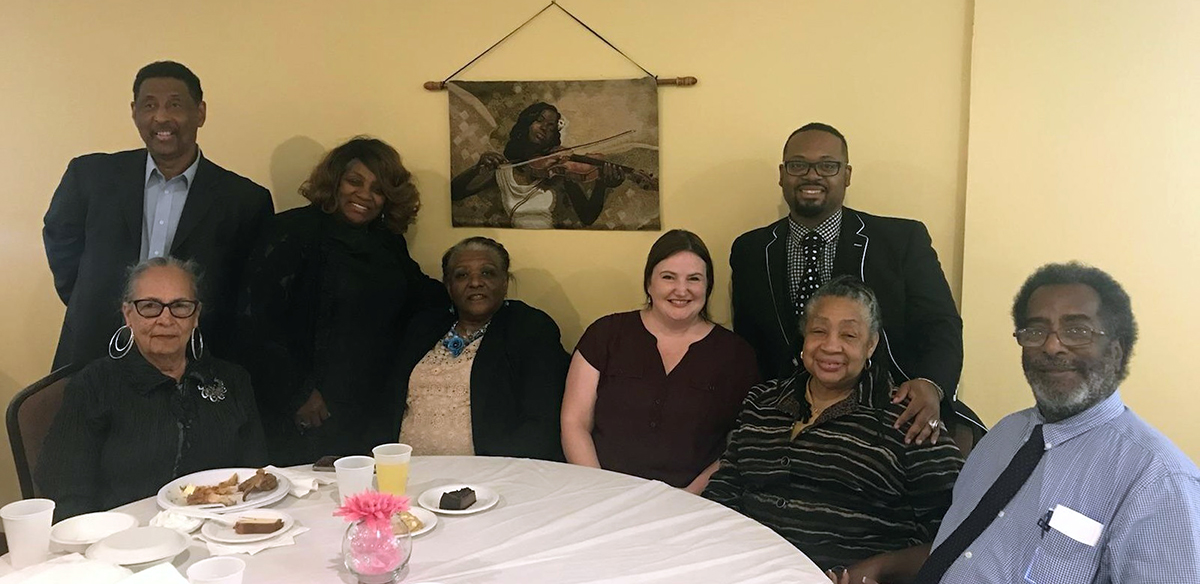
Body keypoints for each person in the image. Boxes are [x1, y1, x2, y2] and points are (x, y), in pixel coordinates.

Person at [907, 262, 1200, 584]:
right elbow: (962, 549)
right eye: (1036, 330)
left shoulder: (1159, 480)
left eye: (1076, 330)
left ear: (1116, 351)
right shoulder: (1002, 436)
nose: (1051, 345)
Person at [730, 122, 981, 445]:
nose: (812, 175)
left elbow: (940, 323)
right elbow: (749, 342)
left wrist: (932, 384)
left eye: (827, 166)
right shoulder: (750, 249)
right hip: (789, 420)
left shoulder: (901, 240)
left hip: (887, 415)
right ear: (782, 173)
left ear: (846, 175)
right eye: (798, 165)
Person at [705, 276, 964, 577]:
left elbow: (959, 528)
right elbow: (727, 487)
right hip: (741, 570)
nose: (831, 346)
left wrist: (882, 571)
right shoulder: (762, 402)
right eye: (819, 331)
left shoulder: (906, 418)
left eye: (849, 335)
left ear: (871, 345)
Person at [43, 61, 273, 371]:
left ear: (200, 112)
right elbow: (61, 241)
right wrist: (93, 298)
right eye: (149, 105)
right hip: (94, 347)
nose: (161, 117)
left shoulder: (244, 200)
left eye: (175, 105)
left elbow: (248, 292)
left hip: (194, 360)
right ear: (134, 112)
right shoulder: (90, 176)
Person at [239, 136, 447, 464]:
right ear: (334, 181)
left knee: (364, 503)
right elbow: (256, 323)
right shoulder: (292, 231)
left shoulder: (387, 243)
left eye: (378, 189)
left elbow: (420, 297)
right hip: (305, 407)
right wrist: (298, 394)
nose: (365, 195)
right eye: (354, 181)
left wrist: (474, 295)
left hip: (368, 406)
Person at [37, 257, 266, 520]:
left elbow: (255, 476)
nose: (165, 319)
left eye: (180, 306)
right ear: (128, 314)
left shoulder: (233, 379)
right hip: (123, 542)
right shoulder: (94, 386)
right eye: (149, 306)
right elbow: (64, 492)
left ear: (196, 316)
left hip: (223, 534)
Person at [561, 229, 760, 493]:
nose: (681, 290)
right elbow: (575, 422)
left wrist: (686, 499)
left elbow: (739, 442)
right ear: (649, 283)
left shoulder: (736, 354)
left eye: (694, 279)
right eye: (668, 277)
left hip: (693, 502)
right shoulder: (605, 334)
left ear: (707, 286)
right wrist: (600, 492)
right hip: (599, 494)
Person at [388, 237, 569, 460]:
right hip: (405, 469)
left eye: (487, 273)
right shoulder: (423, 326)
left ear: (504, 282)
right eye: (462, 275)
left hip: (488, 476)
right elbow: (390, 400)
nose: (475, 282)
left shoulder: (530, 329)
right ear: (449, 286)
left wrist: (494, 473)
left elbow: (541, 422)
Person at [450, 102, 627, 228]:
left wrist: (601, 185)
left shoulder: (558, 171)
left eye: (551, 127)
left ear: (554, 138)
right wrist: (477, 168)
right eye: (539, 121)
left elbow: (588, 217)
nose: (544, 128)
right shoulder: (504, 171)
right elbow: (455, 193)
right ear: (526, 124)